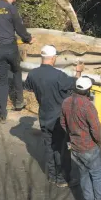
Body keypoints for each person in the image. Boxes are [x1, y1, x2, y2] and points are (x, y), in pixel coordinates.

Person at [23, 45, 84, 187]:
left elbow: (28, 87)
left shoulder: (33, 74)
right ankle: (62, 178)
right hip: (59, 118)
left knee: (49, 147)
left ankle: (51, 175)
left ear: (42, 57)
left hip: (44, 115)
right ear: (53, 58)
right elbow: (77, 85)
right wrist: (78, 72)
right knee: (62, 148)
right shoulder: (59, 76)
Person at [60, 76, 101, 200]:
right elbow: (95, 128)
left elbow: (63, 124)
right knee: (97, 177)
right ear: (88, 91)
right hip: (89, 147)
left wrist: (73, 136)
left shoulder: (66, 102)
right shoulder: (88, 106)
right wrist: (98, 142)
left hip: (75, 147)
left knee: (84, 176)